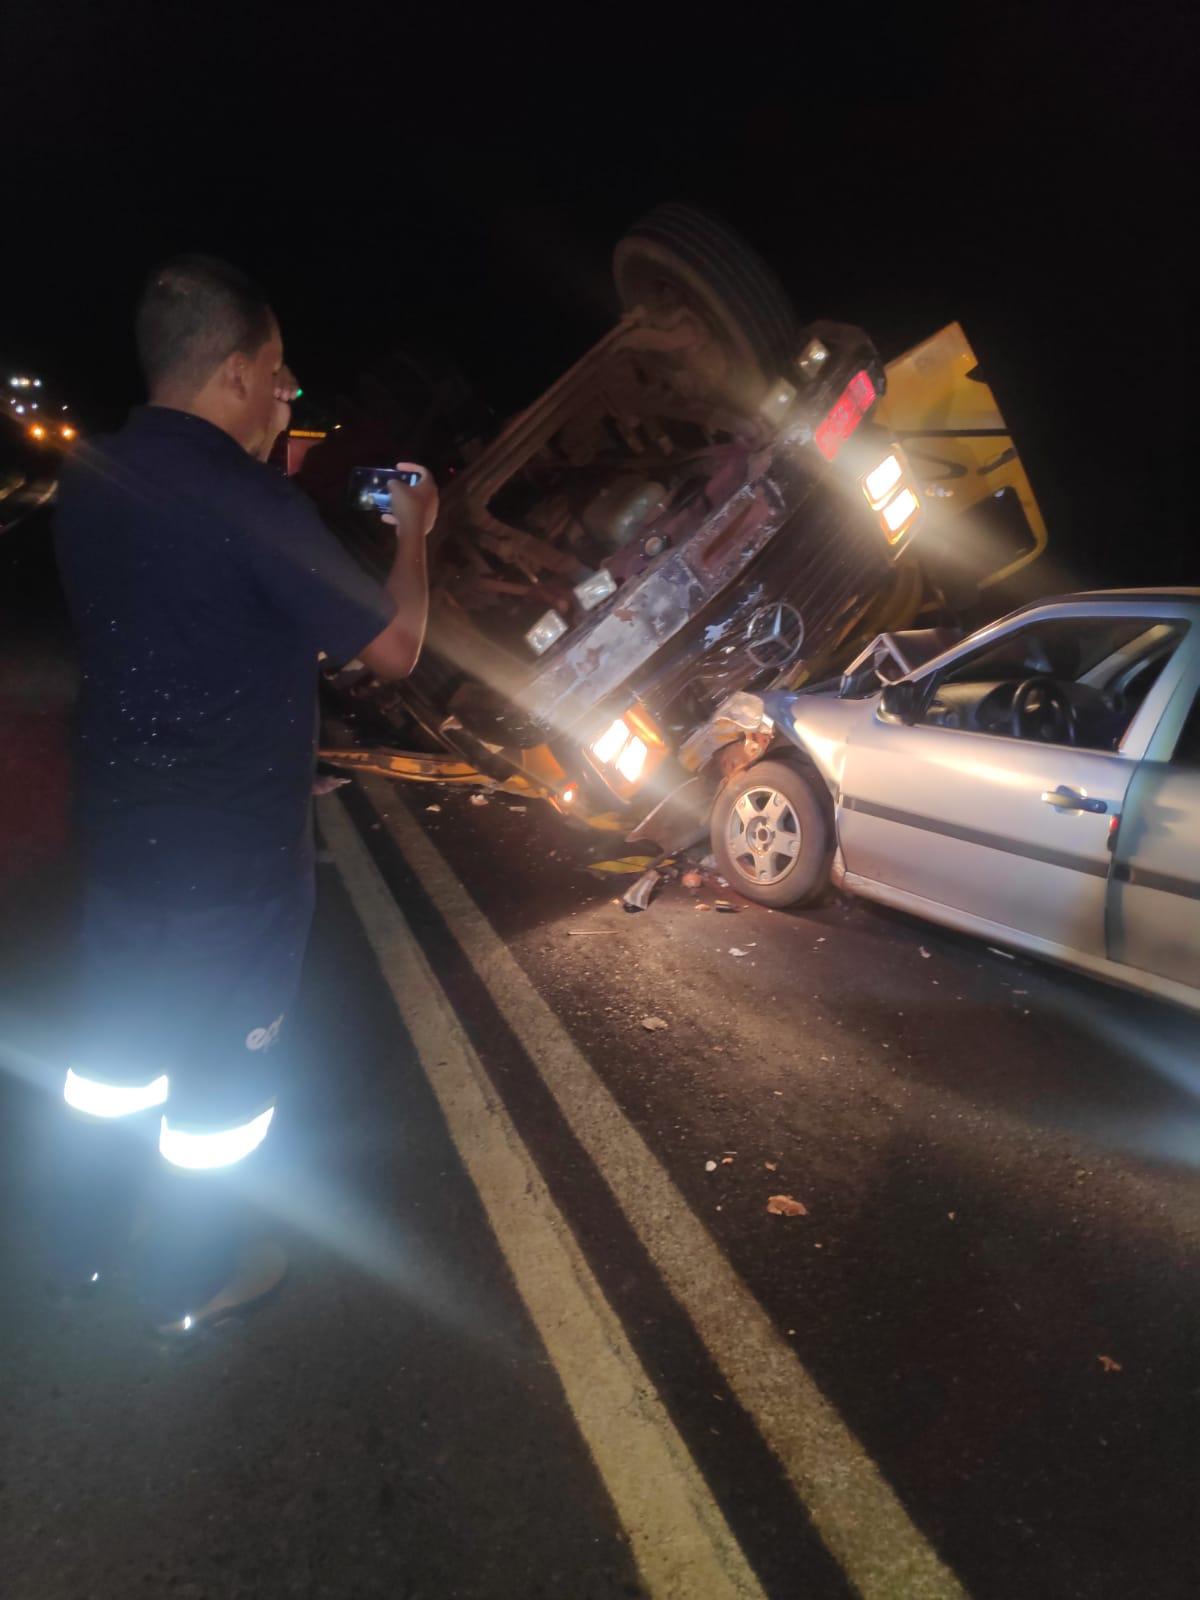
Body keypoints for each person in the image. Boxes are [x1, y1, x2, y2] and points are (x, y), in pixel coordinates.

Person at [51, 254, 436, 1334]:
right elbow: (395, 646)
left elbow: (184, 631)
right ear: (228, 371)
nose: (284, 397)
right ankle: (190, 1280)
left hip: (124, 839)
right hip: (231, 866)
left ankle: (77, 1246)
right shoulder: (246, 495)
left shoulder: (90, 477)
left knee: (112, 1066)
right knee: (220, 1095)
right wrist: (416, 534)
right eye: (276, 376)